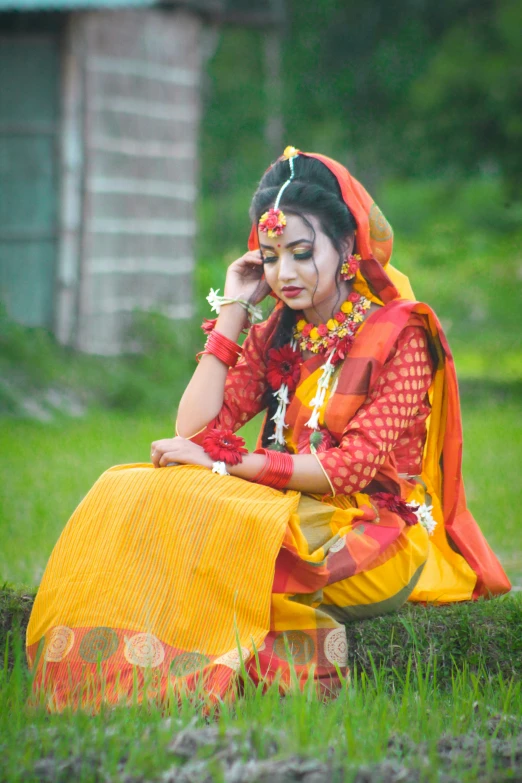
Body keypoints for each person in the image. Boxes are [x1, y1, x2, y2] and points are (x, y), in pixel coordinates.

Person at [26, 148, 510, 711]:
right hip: (281, 510)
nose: (285, 274)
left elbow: (349, 468)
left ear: (347, 247)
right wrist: (235, 309)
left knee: (217, 556)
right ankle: (118, 680)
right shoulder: (278, 329)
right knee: (127, 486)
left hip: (375, 533)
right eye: (271, 256)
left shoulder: (400, 333)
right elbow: (198, 427)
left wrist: (229, 465)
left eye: (303, 254)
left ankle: (274, 684)